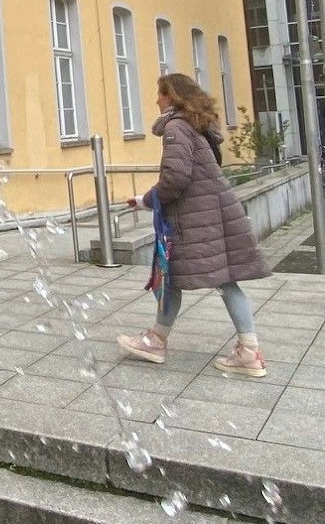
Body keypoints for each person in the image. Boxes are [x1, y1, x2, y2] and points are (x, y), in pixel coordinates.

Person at [117, 73, 273, 378]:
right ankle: (247, 350)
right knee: (218, 280)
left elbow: (176, 177)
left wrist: (146, 200)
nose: (156, 100)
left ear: (171, 96)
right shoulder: (196, 126)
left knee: (174, 276)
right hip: (214, 216)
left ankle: (157, 341)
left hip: (195, 221)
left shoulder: (175, 127)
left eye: (160, 93)